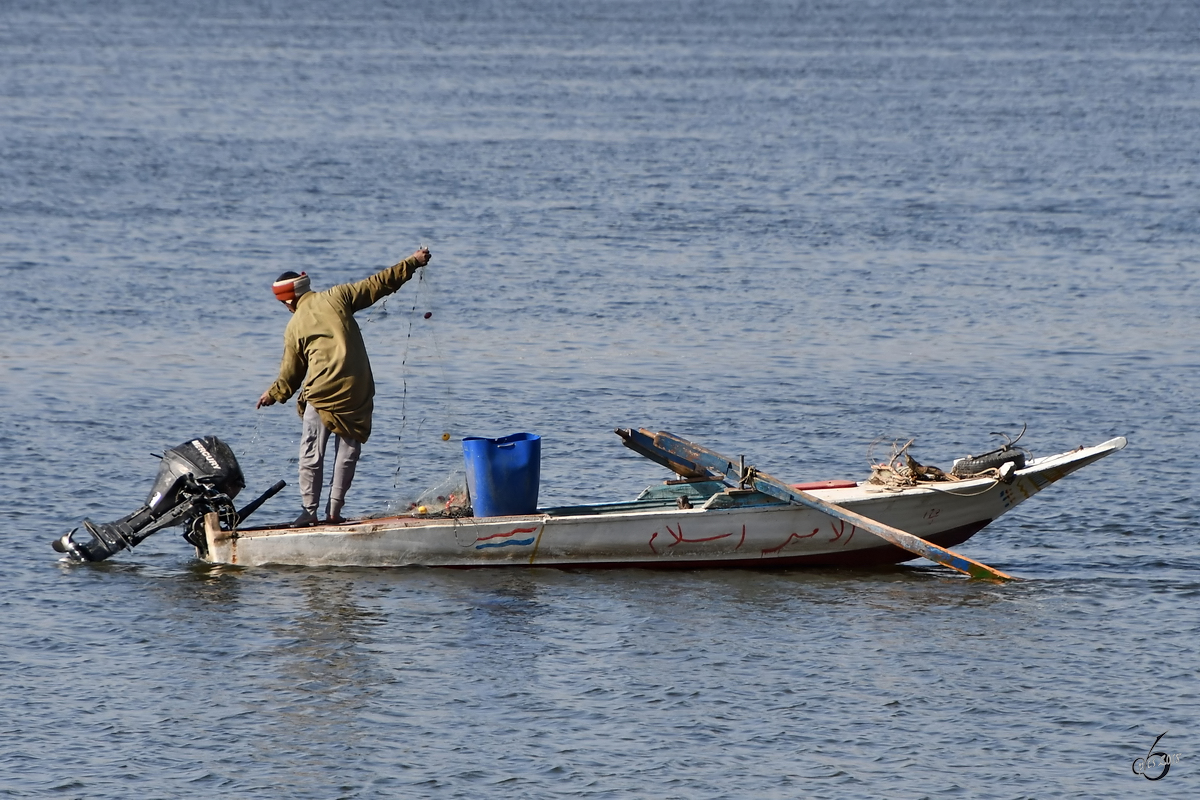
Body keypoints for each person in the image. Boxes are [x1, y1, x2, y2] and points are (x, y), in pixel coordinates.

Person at [256, 247, 431, 525]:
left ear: (288, 300)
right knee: (347, 453)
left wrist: (273, 394)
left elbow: (291, 373)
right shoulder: (338, 296)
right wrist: (412, 262)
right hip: (356, 390)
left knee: (312, 453)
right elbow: (379, 283)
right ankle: (334, 513)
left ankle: (309, 513)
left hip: (321, 392)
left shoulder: (294, 325)